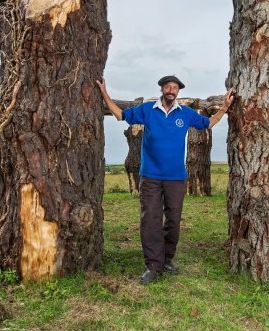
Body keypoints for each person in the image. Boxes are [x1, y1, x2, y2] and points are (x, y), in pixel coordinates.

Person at [96, 75, 234, 285]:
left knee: (173, 219)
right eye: (168, 86)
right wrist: (105, 94)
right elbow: (120, 115)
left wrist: (224, 107)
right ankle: (153, 265)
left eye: (175, 87)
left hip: (176, 177)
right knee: (150, 219)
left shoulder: (186, 114)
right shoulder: (147, 110)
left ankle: (167, 259)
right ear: (162, 89)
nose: (171, 90)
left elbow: (208, 123)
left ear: (178, 91)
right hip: (150, 176)